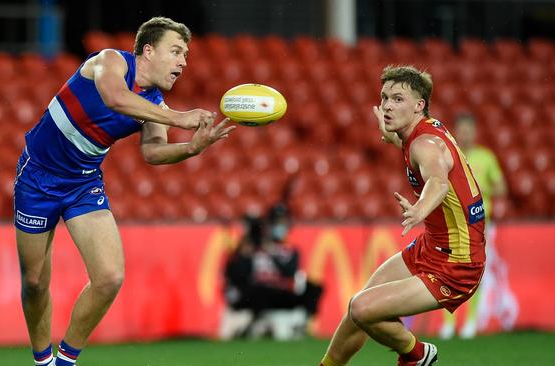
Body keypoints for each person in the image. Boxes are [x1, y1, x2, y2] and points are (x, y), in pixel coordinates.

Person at [14, 17, 234, 366]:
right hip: (37, 179)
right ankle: (41, 360)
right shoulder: (110, 61)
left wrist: (193, 148)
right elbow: (115, 98)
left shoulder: (155, 105)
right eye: (176, 51)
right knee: (35, 281)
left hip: (83, 182)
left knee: (110, 277)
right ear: (148, 50)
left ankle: (64, 361)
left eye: (186, 55)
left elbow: (153, 153)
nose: (183, 62)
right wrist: (179, 119)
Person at [319, 66, 486, 366]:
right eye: (384, 98)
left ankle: (417, 355)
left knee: (361, 308)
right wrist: (392, 137)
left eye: (398, 99)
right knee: (359, 306)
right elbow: (416, 151)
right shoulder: (419, 132)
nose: (386, 106)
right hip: (432, 246)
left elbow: (438, 180)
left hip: (458, 265)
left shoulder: (425, 144)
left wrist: (421, 208)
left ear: (419, 105)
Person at [438, 114, 516, 339]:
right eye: (461, 130)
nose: (465, 134)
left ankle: (471, 322)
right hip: (452, 223)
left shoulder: (486, 157)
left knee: (474, 272)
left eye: (468, 130)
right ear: (456, 131)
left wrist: (480, 188)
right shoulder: (448, 154)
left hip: (479, 224)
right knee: (447, 271)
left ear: (474, 132)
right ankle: (448, 323)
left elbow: (501, 188)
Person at [221, 204, 322, 340]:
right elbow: (238, 272)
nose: (280, 226)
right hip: (258, 292)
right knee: (258, 291)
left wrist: (272, 253)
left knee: (314, 288)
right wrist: (248, 251)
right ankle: (253, 323)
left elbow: (289, 272)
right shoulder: (253, 246)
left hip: (280, 292)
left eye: (283, 222)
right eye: (277, 222)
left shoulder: (290, 250)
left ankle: (302, 322)